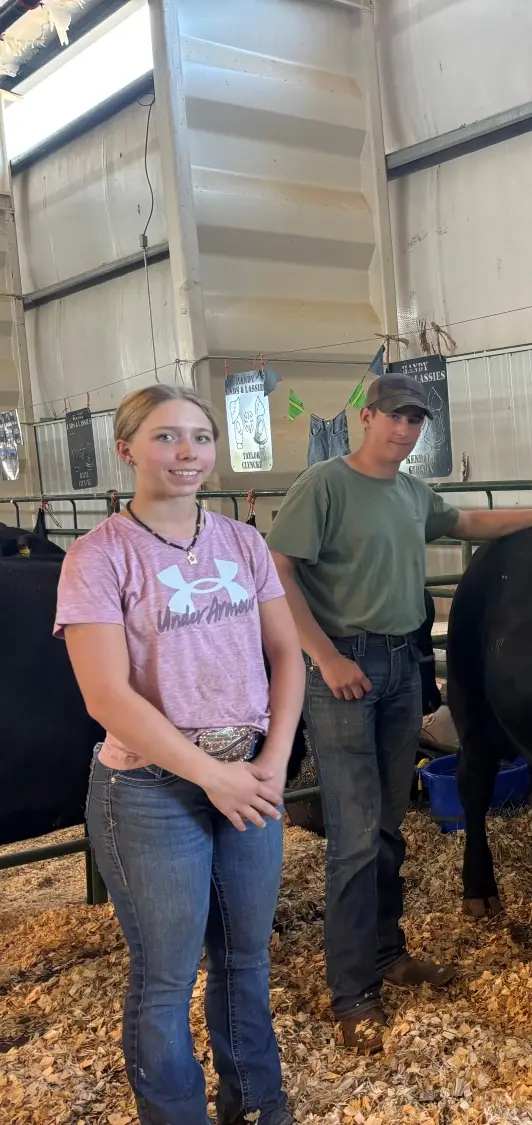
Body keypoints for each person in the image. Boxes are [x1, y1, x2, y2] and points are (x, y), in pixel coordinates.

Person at [265, 371, 532, 1052]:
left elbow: (469, 521)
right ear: (365, 415)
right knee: (357, 833)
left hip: (400, 663)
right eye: (395, 416)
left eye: (416, 420)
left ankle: (388, 952)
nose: (404, 430)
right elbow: (277, 570)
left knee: (388, 822)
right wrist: (324, 657)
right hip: (345, 670)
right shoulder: (325, 485)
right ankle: (353, 988)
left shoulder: (411, 492)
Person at [55, 383, 303, 1125]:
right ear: (127, 449)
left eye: (200, 435)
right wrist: (211, 776)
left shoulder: (242, 541)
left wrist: (274, 760)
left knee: (246, 959)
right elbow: (106, 695)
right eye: (166, 437)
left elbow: (288, 654)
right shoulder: (98, 556)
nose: (188, 451)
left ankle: (259, 1106)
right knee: (166, 976)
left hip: (249, 774)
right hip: (150, 788)